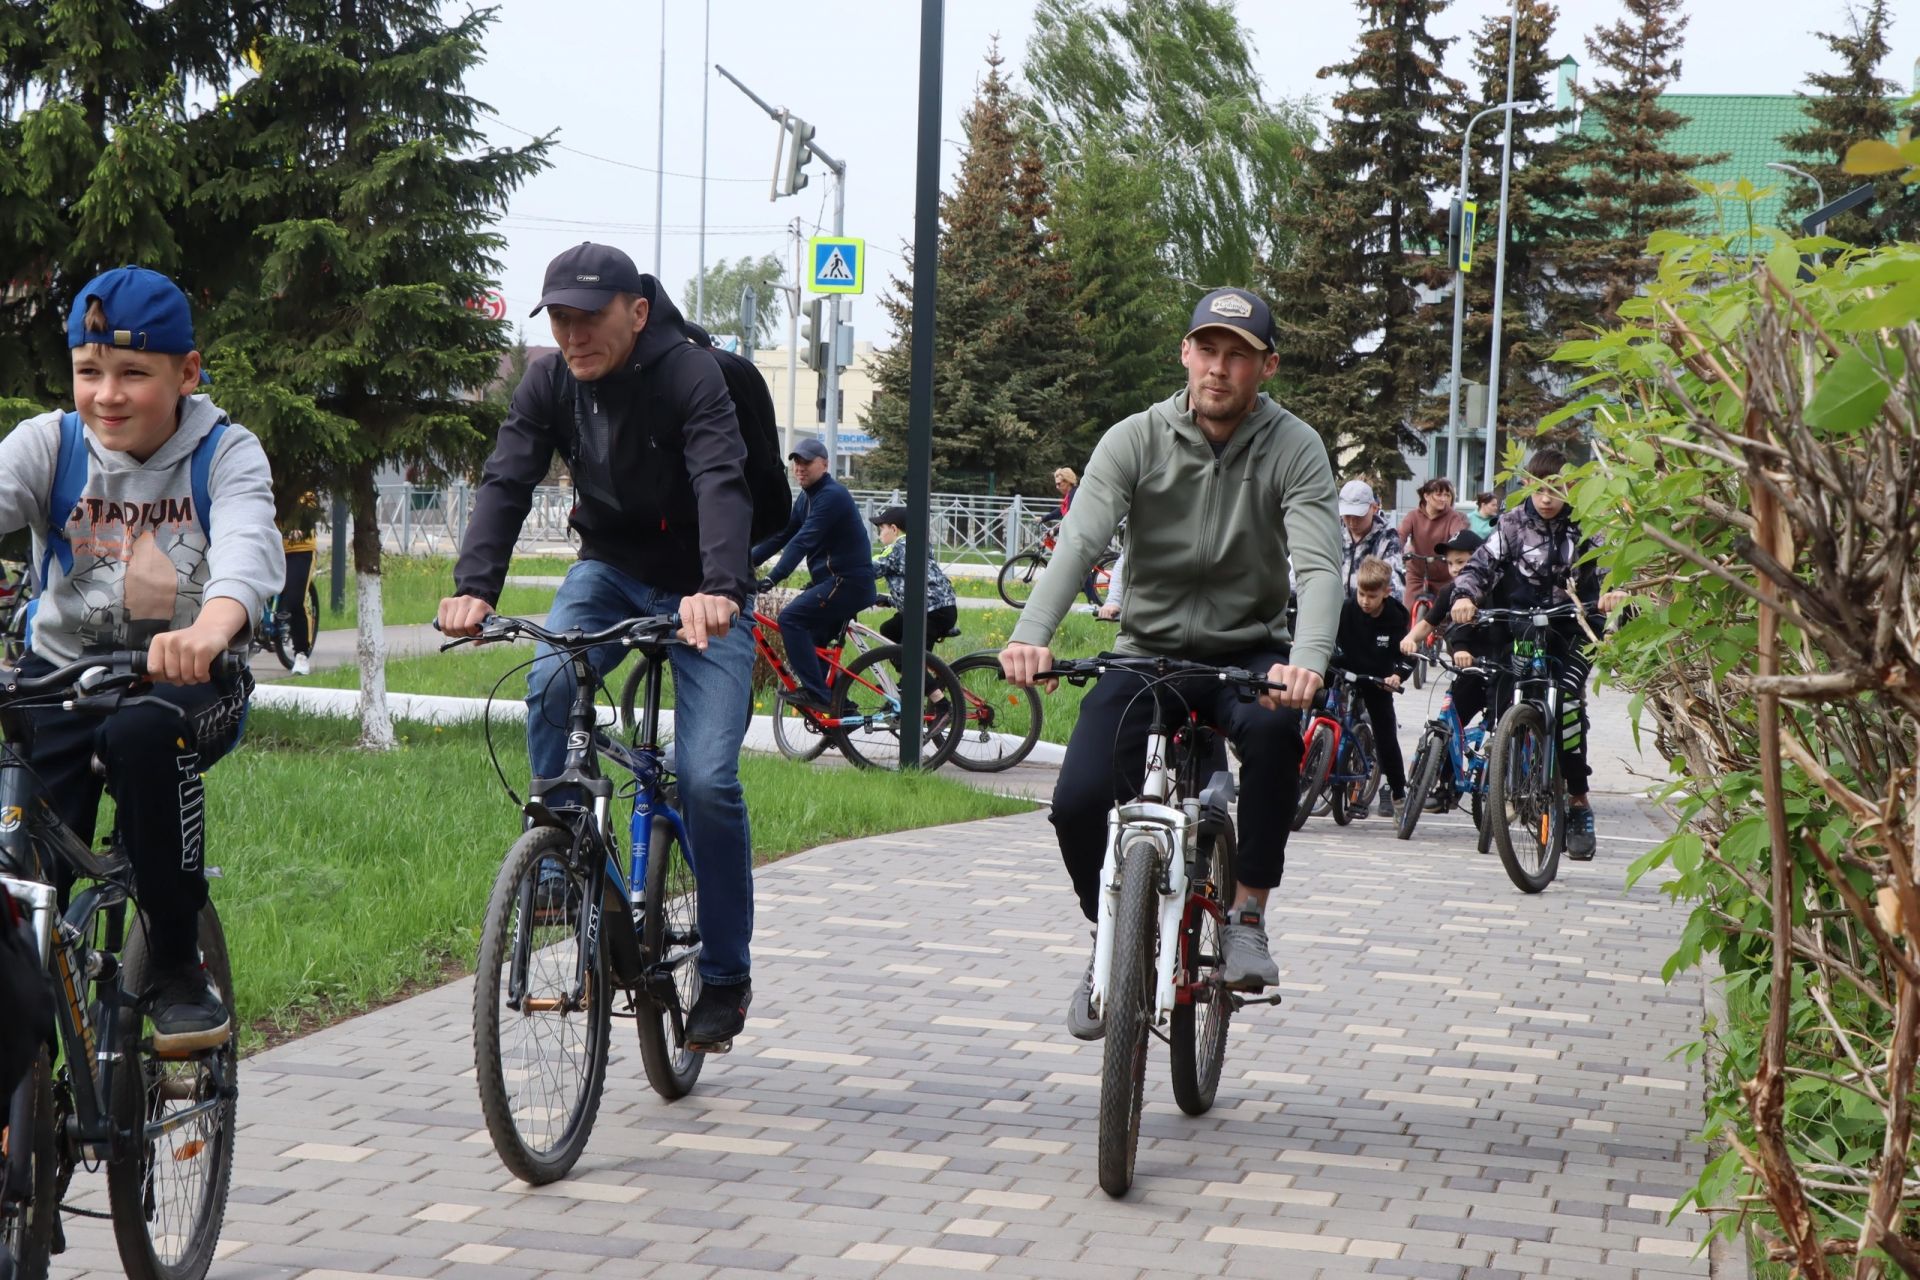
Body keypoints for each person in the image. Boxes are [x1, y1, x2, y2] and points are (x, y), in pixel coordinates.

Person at [440, 242, 759, 1051]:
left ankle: (724, 977)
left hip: (703, 590)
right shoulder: (548, 381)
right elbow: (507, 480)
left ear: (637, 312)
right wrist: (476, 586)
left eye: (590, 317)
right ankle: (561, 856)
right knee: (549, 679)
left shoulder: (691, 375)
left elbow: (723, 478)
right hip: (611, 572)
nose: (573, 334)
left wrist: (721, 588)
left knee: (708, 777)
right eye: (559, 318)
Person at [999, 286, 1340, 1038]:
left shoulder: (1295, 447)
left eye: (1238, 357)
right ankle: (1109, 938)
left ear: (1266, 367)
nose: (1219, 369)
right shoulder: (1135, 438)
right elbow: (1080, 543)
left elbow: (1319, 568)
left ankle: (1248, 914)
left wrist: (1305, 660)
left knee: (1278, 732)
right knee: (1078, 800)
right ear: (1185, 353)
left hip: (1247, 652)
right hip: (1147, 652)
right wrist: (1033, 633)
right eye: (1207, 350)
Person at [0, 266, 282, 1054]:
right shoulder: (49, 447)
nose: (107, 396)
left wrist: (213, 630)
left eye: (133, 374)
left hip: (187, 685)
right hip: (58, 685)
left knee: (141, 741)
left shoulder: (225, 452)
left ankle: (175, 966)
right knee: (19, 875)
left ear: (187, 373)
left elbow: (249, 552)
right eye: (90, 372)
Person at [1448, 448, 1627, 860]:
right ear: (1526, 484)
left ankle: (1579, 804)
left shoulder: (1587, 526)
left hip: (1576, 627)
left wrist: (1611, 592)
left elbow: (1609, 567)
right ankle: (1508, 766)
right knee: (1510, 690)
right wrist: (1464, 596)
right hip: (1525, 625)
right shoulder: (1510, 525)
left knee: (1565, 704)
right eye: (1540, 488)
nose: (1547, 498)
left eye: (1558, 489)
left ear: (1571, 488)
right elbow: (1480, 566)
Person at [750, 437, 876, 710]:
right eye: (796, 462)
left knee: (791, 619)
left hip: (847, 582)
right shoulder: (806, 499)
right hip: (834, 583)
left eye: (806, 462)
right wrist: (741, 561)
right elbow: (783, 536)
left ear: (825, 464)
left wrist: (774, 577)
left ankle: (820, 696)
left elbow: (804, 540)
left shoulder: (831, 496)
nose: (799, 468)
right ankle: (841, 707)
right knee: (812, 641)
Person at [1335, 556, 1414, 820]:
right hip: (1345, 668)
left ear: (1386, 592)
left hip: (1377, 679)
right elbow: (1328, 638)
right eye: (1361, 594)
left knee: (1385, 734)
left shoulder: (1396, 616)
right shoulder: (1347, 609)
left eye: (1372, 595)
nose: (1365, 601)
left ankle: (1398, 793)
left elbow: (1407, 654)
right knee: (1311, 702)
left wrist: (1397, 676)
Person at [869, 504, 957, 645]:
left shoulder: (897, 549)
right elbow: (917, 587)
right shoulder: (919, 544)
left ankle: (911, 667)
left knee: (910, 662)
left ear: (894, 529)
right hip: (941, 608)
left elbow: (868, 569)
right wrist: (889, 600)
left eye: (881, 529)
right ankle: (918, 666)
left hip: (929, 613)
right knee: (889, 630)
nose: (879, 534)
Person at [1397, 477, 1468, 615]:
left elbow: (1458, 536)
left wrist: (1457, 553)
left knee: (1444, 616)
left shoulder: (1452, 517)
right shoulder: (1413, 516)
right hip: (1416, 574)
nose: (1443, 499)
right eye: (1439, 494)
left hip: (1443, 576)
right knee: (1407, 612)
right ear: (1426, 496)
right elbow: (1400, 535)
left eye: (1447, 495)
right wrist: (1395, 552)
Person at [1338, 479, 1404, 598]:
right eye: (1347, 516)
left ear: (1374, 508)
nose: (1352, 522)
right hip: (1334, 610)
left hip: (1371, 611)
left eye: (1359, 516)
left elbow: (1393, 582)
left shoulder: (1387, 538)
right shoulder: (1334, 533)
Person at [278, 490, 320, 675]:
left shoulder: (303, 489)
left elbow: (308, 513)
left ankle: (301, 653)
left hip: (299, 550)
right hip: (271, 548)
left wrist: (299, 528)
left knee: (295, 600)